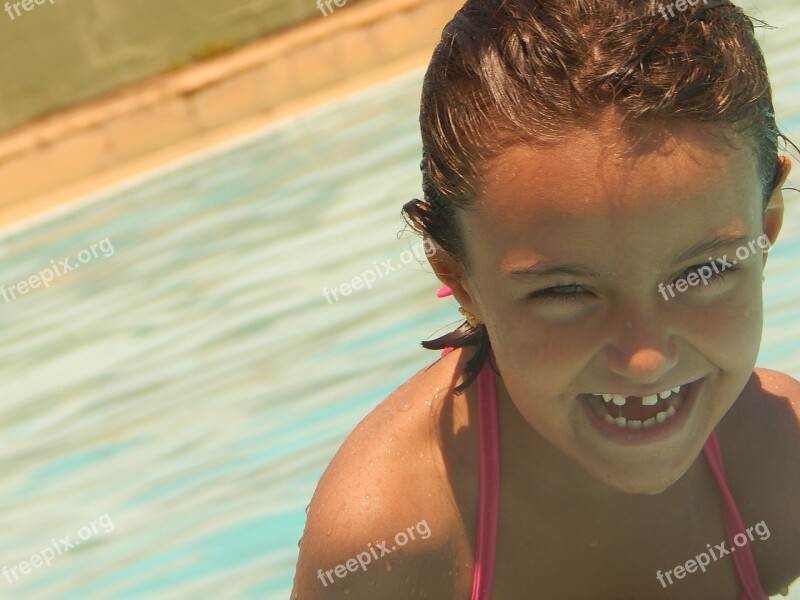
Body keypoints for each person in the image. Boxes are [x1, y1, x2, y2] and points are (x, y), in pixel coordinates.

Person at [292, 0, 800, 597]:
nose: (646, 357)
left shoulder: (780, 462)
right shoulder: (392, 534)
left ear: (765, 233)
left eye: (704, 271)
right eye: (565, 290)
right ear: (457, 274)